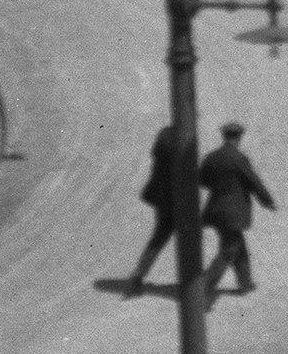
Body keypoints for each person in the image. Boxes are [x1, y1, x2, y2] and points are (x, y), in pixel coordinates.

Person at [198, 121, 277, 297]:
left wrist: (219, 185)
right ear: (238, 138)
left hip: (215, 210)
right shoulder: (239, 158)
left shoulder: (211, 157)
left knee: (237, 244)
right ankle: (204, 286)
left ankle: (245, 283)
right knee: (230, 248)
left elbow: (201, 180)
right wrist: (267, 201)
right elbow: (254, 181)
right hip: (233, 212)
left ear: (224, 137)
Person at [116, 121, 191, 296]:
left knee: (160, 236)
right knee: (188, 237)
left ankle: (138, 276)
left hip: (160, 195)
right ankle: (193, 285)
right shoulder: (181, 139)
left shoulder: (165, 134)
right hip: (176, 197)